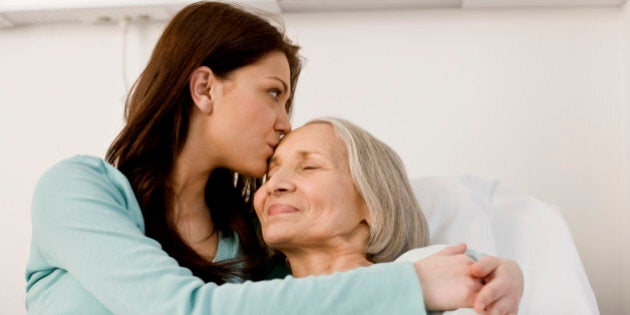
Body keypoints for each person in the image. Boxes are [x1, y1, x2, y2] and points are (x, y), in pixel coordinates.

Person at [26, 2, 522, 314]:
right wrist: (412, 286)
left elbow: (333, 283)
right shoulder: (78, 190)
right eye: (273, 93)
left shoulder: (252, 249)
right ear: (204, 88)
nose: (284, 120)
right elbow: (183, 308)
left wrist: (489, 271)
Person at [253, 117, 524, 314]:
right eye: (271, 173)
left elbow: (476, 277)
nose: (275, 184)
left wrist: (496, 274)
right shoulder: (247, 292)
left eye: (309, 167)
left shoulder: (422, 271)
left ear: (372, 203)